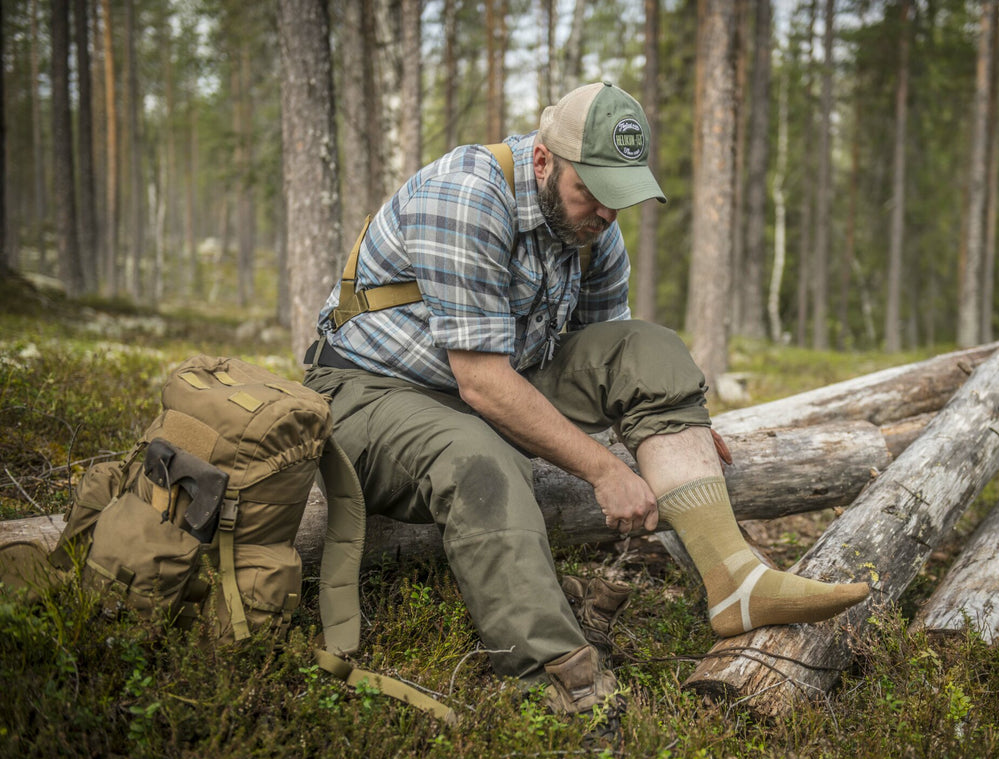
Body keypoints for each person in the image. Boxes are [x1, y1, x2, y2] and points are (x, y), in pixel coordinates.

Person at [303, 81, 869, 723]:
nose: (604, 213)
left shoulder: (593, 230)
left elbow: (612, 358)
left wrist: (670, 424)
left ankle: (734, 579)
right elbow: (483, 384)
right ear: (544, 161)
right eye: (591, 192)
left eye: (619, 198)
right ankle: (557, 678)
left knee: (650, 348)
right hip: (369, 391)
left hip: (485, 384)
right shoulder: (465, 194)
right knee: (477, 459)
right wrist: (605, 470)